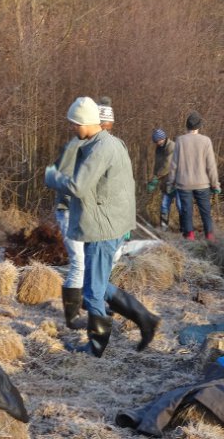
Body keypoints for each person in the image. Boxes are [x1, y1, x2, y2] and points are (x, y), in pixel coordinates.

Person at [45, 96, 160, 358]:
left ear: (85, 123)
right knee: (93, 285)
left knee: (94, 291)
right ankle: (146, 319)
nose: (72, 128)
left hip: (103, 228)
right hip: (108, 223)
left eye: (74, 123)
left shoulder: (101, 149)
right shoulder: (109, 143)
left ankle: (95, 349)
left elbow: (77, 187)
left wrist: (53, 177)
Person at [167, 111, 220, 241]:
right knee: (205, 211)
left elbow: (173, 165)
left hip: (183, 184)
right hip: (202, 183)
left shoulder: (180, 140)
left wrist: (170, 184)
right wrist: (215, 184)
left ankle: (189, 236)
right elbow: (211, 165)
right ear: (199, 126)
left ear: (187, 126)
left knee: (186, 212)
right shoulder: (206, 141)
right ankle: (209, 235)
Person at [51, 135, 86, 329]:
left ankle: (86, 303)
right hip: (68, 213)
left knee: (88, 260)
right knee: (79, 263)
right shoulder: (74, 149)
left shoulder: (82, 148)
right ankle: (71, 318)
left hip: (80, 214)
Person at [147, 129, 181, 231]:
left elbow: (167, 165)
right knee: (164, 204)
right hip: (166, 182)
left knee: (180, 205)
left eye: (159, 140)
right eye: (156, 141)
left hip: (177, 181)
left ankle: (185, 227)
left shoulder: (172, 146)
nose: (157, 142)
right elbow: (157, 164)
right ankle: (164, 226)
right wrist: (154, 177)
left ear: (163, 138)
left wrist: (156, 178)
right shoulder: (159, 148)